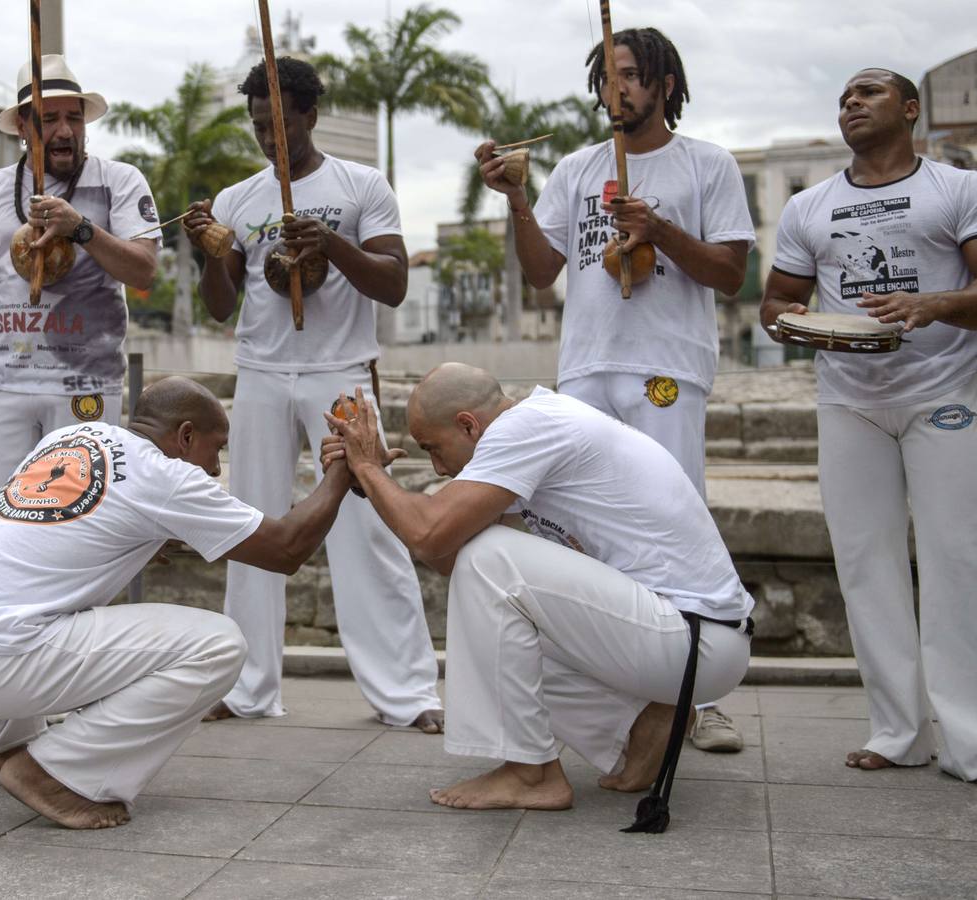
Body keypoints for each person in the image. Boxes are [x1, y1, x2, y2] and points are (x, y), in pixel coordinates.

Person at [0, 376, 356, 829]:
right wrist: (344, 470)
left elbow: (51, 526)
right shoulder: (164, 477)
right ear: (186, 436)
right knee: (219, 644)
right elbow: (286, 549)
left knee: (32, 596)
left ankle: (4, 747)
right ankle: (58, 775)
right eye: (216, 449)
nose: (216, 468)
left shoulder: (73, 435)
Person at [474, 27, 754, 753]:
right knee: (580, 534)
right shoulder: (576, 167)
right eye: (607, 77)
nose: (616, 89)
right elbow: (543, 273)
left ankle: (697, 697)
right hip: (587, 372)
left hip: (665, 372)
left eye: (632, 76)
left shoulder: (708, 165)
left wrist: (658, 230)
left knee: (673, 528)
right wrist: (517, 201)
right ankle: (622, 700)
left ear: (665, 85)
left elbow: (730, 275)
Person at [322, 364, 753, 824]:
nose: (438, 467)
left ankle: (532, 774)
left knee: (491, 559)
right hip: (693, 646)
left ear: (469, 424)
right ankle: (641, 726)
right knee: (487, 590)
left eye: (433, 448)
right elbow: (449, 558)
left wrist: (368, 468)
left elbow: (432, 537)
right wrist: (373, 485)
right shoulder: (533, 425)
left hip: (693, 640)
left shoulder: (525, 428)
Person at [0, 54, 160, 736]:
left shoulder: (119, 182)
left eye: (74, 116)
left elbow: (144, 272)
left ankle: (73, 682)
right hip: (0, 382)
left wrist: (80, 227)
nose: (66, 129)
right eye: (49, 119)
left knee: (83, 535)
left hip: (86, 386)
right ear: (24, 127)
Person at [184, 56, 442, 732]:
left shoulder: (360, 186)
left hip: (341, 372)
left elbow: (392, 284)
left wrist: (331, 241)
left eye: (280, 125)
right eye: (258, 128)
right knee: (251, 525)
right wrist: (210, 250)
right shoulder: (240, 199)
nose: (270, 140)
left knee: (367, 531)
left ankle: (408, 694)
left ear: (310, 115)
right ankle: (247, 689)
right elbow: (219, 305)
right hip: (263, 372)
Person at [760, 69, 977, 782]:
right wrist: (809, 326)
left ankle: (968, 739)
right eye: (845, 95)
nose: (850, 102)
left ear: (910, 110)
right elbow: (777, 303)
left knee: (957, 563)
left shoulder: (955, 189)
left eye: (870, 93)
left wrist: (932, 305)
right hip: (849, 399)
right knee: (865, 564)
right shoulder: (810, 206)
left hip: (944, 393)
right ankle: (899, 731)